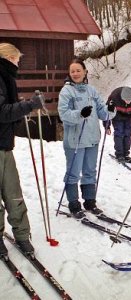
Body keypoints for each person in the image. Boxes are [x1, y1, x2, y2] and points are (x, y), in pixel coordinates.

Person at [58, 58, 115, 218]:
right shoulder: (66, 91)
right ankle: (74, 203)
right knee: (74, 172)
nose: (75, 73)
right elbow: (64, 115)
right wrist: (79, 114)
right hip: (75, 140)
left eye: (78, 70)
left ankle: (90, 201)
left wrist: (110, 109)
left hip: (92, 138)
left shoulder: (92, 90)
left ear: (85, 72)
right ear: (69, 74)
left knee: (90, 171)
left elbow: (103, 113)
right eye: (72, 71)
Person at [0, 43, 43, 255]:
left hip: (5, 146)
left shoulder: (7, 77)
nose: (18, 63)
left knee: (13, 193)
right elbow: (1, 112)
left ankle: (22, 235)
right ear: (9, 57)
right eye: (17, 59)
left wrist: (23, 107)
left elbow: (8, 112)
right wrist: (28, 106)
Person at [103, 86, 131, 163]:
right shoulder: (114, 97)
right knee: (119, 132)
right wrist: (107, 126)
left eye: (130, 100)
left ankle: (126, 154)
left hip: (129, 116)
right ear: (122, 97)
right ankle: (119, 154)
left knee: (128, 134)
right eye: (126, 100)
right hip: (117, 116)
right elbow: (107, 112)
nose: (128, 102)